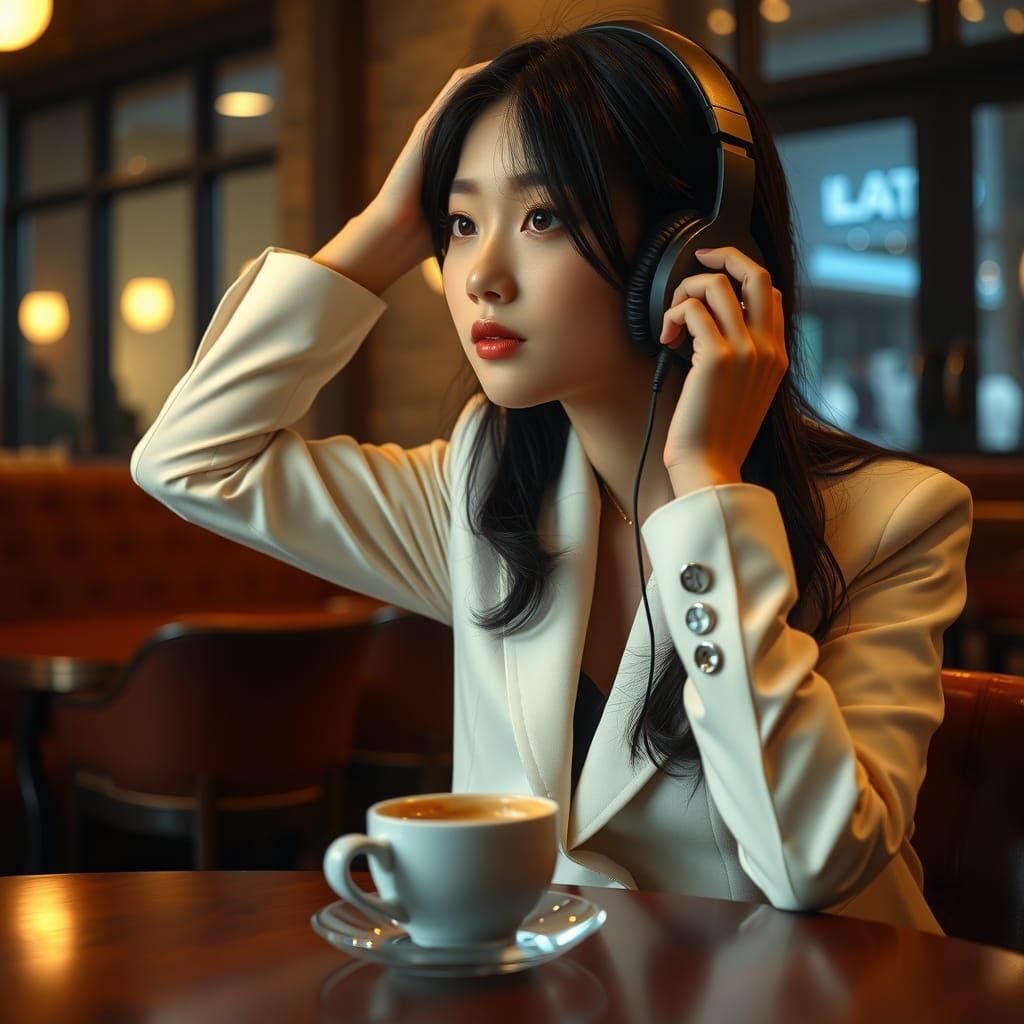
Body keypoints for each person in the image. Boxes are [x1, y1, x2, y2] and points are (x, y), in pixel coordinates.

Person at [131, 21, 971, 934]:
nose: (481, 276)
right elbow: (192, 457)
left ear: (687, 251)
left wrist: (706, 490)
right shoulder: (480, 493)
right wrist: (381, 229)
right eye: (457, 224)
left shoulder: (897, 520)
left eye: (544, 217)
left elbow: (808, 866)